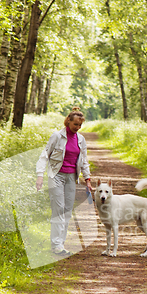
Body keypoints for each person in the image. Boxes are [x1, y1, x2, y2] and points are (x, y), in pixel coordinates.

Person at [36, 107, 92, 255]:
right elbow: (44, 155)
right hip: (57, 175)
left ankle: (60, 243)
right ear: (68, 122)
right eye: (75, 125)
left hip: (71, 177)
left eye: (80, 125)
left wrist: (87, 179)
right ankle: (56, 245)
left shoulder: (81, 139)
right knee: (58, 209)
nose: (78, 128)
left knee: (67, 211)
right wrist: (40, 175)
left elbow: (84, 160)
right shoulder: (57, 136)